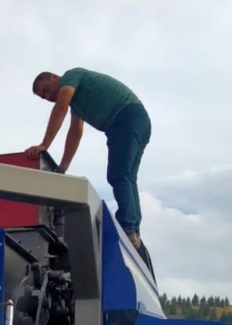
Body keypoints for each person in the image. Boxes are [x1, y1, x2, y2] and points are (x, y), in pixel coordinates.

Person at [25, 68, 152, 256]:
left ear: (53, 77)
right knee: (127, 177)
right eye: (43, 97)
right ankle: (134, 233)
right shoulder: (78, 104)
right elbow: (75, 133)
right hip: (137, 121)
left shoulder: (71, 76)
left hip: (126, 118)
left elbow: (60, 108)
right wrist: (62, 168)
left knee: (119, 175)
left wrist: (44, 144)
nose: (48, 96)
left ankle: (128, 227)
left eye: (46, 90)